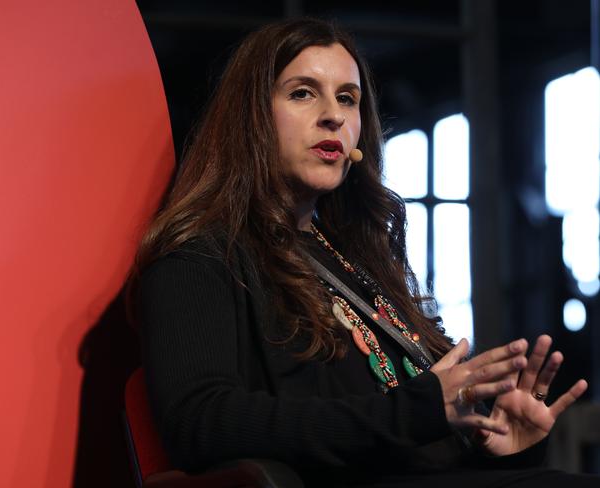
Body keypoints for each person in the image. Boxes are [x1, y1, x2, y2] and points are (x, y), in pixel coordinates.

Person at [130, 18, 597, 487]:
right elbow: (199, 425)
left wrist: (492, 445)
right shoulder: (200, 255)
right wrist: (415, 411)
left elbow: (406, 435)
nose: (334, 115)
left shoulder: (360, 260)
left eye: (347, 98)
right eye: (303, 93)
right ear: (250, 117)